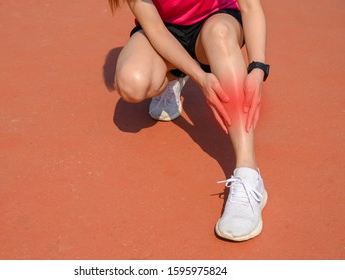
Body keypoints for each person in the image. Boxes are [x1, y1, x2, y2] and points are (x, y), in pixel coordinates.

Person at [108, 0, 270, 241]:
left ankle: (249, 175)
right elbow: (156, 30)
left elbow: (250, 7)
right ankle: (174, 76)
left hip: (216, 23)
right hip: (166, 31)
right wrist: (199, 77)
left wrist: (257, 67)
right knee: (132, 82)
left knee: (220, 34)